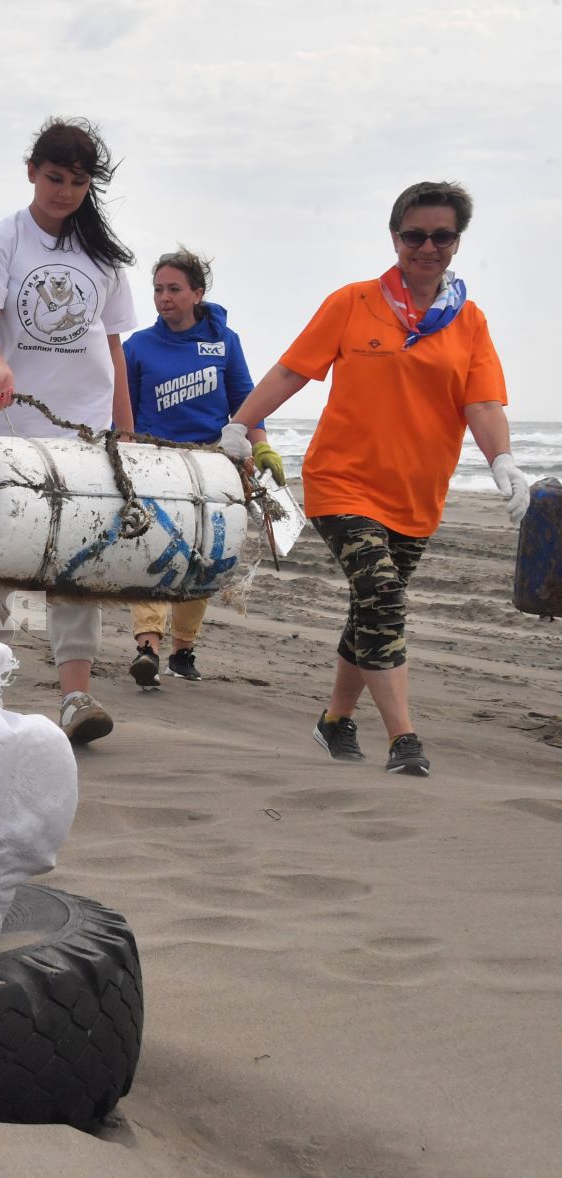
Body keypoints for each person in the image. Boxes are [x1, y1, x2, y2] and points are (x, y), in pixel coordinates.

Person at [225, 181, 530, 778]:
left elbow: (483, 403)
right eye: (415, 235)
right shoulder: (354, 302)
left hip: (417, 495)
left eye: (441, 236)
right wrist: (242, 422)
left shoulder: (468, 322)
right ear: (395, 238)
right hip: (342, 483)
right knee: (383, 596)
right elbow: (293, 370)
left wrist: (503, 462)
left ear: (456, 243)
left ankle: (334, 721)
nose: (427, 246)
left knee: (369, 607)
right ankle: (404, 739)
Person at [0, 118, 138, 745]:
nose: (64, 191)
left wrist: (125, 431)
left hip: (82, 431)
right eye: (55, 177)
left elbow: (113, 351)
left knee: (78, 562)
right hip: (6, 423)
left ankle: (75, 696)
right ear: (32, 171)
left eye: (78, 181)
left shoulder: (104, 257)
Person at [121, 247, 276, 688]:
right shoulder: (138, 346)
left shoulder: (225, 342)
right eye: (157, 289)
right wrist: (124, 451)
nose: (163, 297)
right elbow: (124, 411)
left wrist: (258, 449)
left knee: (204, 553)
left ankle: (183, 650)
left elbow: (246, 401)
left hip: (212, 464)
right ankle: (147, 646)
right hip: (155, 461)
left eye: (174, 289)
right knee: (151, 547)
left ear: (197, 293)